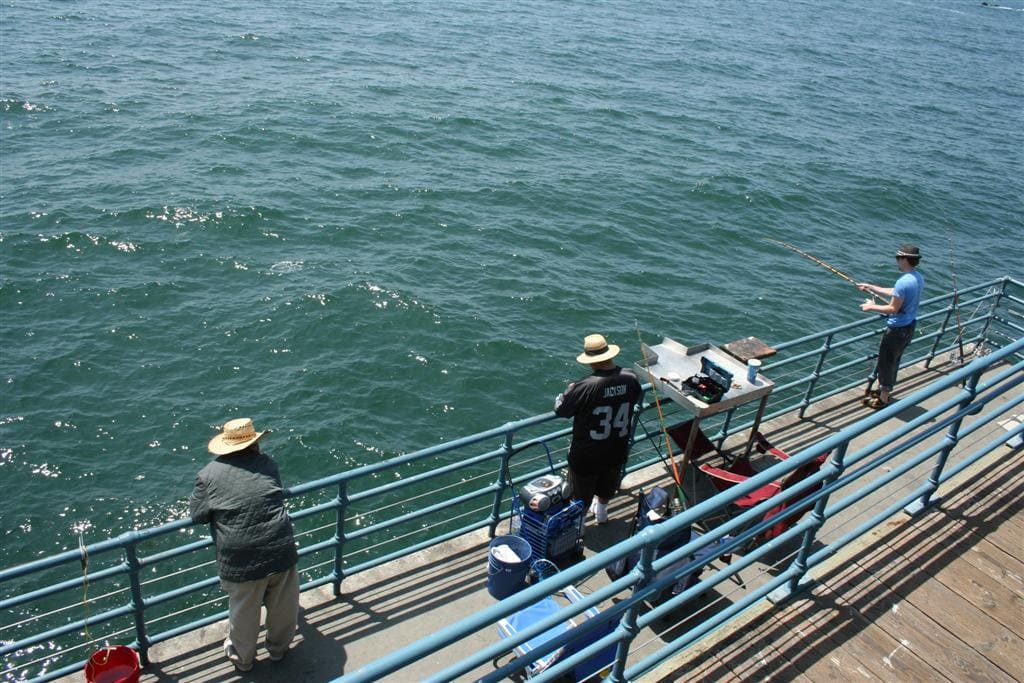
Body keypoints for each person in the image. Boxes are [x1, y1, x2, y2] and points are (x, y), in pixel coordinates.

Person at [189, 418, 299, 672]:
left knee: (244, 611)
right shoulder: (268, 464)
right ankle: (279, 650)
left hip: (241, 558)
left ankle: (243, 659)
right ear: (254, 444)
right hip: (280, 545)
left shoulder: (207, 475)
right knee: (283, 605)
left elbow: (198, 515)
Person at [554, 333, 643, 523]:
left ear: (591, 361)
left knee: (580, 496)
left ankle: (580, 528)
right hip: (617, 449)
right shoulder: (631, 378)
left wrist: (567, 392)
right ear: (609, 354)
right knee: (607, 486)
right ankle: (602, 512)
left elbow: (561, 411)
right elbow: (634, 397)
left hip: (587, 455)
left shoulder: (584, 386)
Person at [857, 244, 924, 409]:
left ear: (904, 259)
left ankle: (883, 399)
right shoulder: (916, 277)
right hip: (909, 327)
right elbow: (894, 292)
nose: (897, 261)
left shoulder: (903, 282)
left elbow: (893, 308)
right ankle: (883, 391)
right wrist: (872, 287)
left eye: (898, 258)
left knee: (886, 364)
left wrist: (870, 307)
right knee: (894, 361)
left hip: (896, 330)